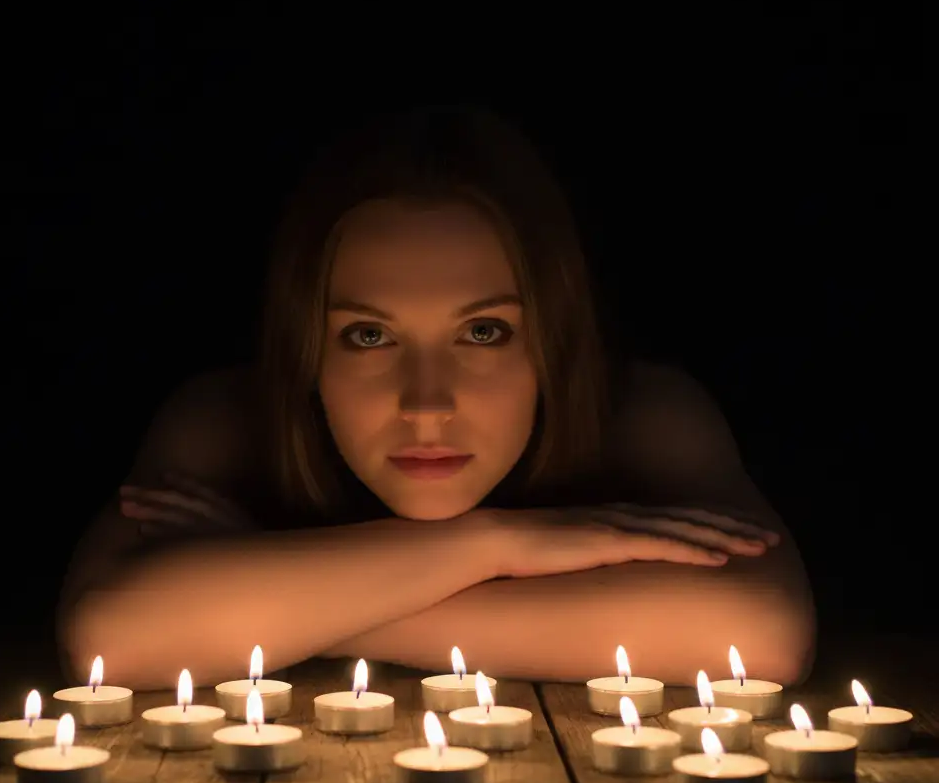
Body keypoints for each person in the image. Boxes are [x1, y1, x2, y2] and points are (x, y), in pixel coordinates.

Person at [57, 105, 816, 690]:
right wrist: (495, 545)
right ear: (305, 351)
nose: (425, 404)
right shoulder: (223, 422)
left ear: (554, 340)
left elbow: (764, 630)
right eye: (368, 337)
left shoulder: (646, 416)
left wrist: (278, 602)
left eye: (484, 333)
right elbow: (110, 636)